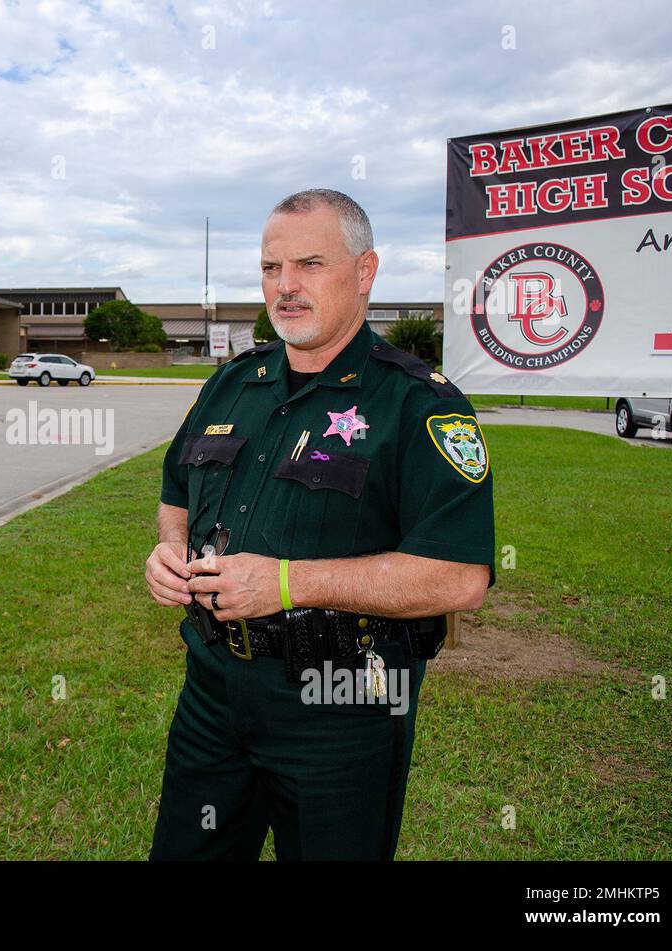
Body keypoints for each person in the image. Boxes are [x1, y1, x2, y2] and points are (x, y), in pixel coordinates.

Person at [144, 189, 495, 860]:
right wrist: (168, 548)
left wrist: (285, 582)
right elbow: (176, 491)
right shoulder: (231, 384)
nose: (286, 287)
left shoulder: (418, 403)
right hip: (215, 689)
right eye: (272, 268)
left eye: (309, 264)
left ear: (365, 272)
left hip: (343, 704)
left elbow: (459, 577)